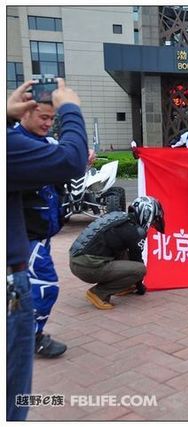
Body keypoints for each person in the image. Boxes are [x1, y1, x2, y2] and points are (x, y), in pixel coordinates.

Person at [7, 78, 88, 420]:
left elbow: (63, 171)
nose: (47, 122)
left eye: (52, 118)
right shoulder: (16, 145)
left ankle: (32, 334)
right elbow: (70, 160)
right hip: (22, 249)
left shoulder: (36, 144)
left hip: (37, 238)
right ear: (24, 114)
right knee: (46, 287)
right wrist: (71, 109)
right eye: (42, 116)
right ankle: (34, 335)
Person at [68, 196, 165, 310]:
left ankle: (124, 286)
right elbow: (137, 260)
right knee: (140, 270)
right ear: (147, 214)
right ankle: (98, 293)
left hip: (75, 260)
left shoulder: (120, 217)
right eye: (153, 220)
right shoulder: (135, 231)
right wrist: (140, 288)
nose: (152, 224)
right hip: (87, 267)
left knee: (125, 254)